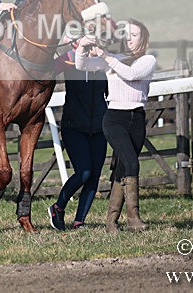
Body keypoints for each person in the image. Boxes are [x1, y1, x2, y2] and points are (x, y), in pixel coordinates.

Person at [75, 18, 156, 233]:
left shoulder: (148, 60)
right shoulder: (113, 59)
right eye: (126, 34)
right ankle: (134, 218)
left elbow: (130, 74)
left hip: (136, 119)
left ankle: (111, 222)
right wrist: (83, 47)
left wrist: (105, 55)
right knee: (132, 163)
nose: (129, 39)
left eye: (134, 35)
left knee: (124, 167)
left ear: (143, 38)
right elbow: (81, 65)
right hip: (114, 119)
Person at [48, 40, 108, 231]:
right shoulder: (69, 59)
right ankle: (58, 207)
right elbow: (45, 70)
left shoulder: (105, 62)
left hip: (99, 127)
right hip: (73, 126)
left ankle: (79, 221)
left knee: (94, 176)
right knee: (84, 172)